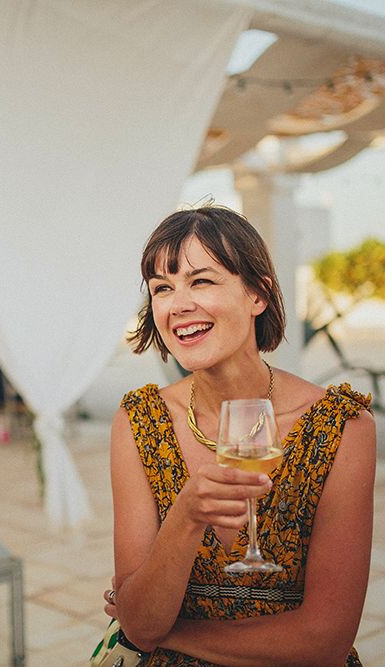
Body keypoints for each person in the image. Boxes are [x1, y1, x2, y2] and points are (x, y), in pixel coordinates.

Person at [102, 206, 375, 665]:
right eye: (162, 288)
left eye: (201, 281)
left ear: (258, 294)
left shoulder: (341, 427)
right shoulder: (139, 422)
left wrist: (175, 635)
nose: (179, 304)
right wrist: (186, 517)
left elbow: (324, 641)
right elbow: (141, 621)